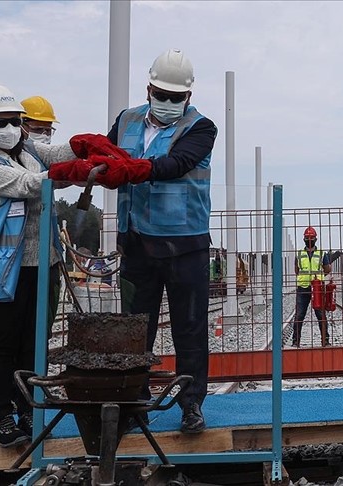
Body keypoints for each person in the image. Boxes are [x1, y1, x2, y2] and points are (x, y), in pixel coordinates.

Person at [70, 49, 217, 433]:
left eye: (176, 97)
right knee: (136, 328)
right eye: (162, 95)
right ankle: (133, 403)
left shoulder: (202, 128)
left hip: (184, 245)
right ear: (149, 88)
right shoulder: (127, 119)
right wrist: (91, 155)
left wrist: (134, 168)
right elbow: (107, 151)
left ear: (188, 95)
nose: (168, 103)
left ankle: (191, 404)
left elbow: (177, 164)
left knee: (189, 328)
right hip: (136, 242)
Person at [0, 85, 101, 447]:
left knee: (32, 342)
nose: (10, 128)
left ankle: (27, 406)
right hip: (3, 271)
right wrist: (71, 171)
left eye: (15, 121)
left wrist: (88, 144)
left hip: (41, 266)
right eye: (1, 122)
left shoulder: (27, 151)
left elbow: (54, 151)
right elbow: (29, 185)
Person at [291, 227, 332, 347]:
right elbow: (297, 270)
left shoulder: (321, 254)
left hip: (317, 288)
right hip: (303, 288)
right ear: (304, 239)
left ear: (316, 239)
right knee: (299, 315)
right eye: (307, 238)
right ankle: (295, 342)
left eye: (311, 238)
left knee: (321, 315)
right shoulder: (299, 254)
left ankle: (325, 341)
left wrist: (317, 278)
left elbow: (327, 269)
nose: (309, 240)